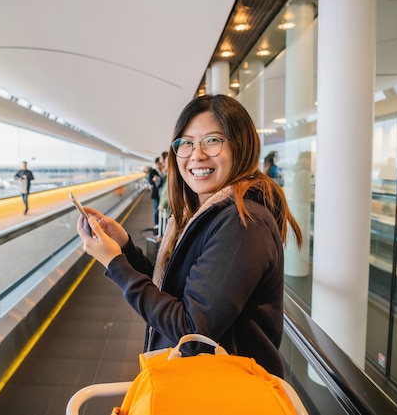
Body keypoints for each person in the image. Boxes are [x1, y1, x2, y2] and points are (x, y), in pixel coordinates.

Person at [76, 94, 302, 378]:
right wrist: (124, 248)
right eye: (187, 143)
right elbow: (176, 293)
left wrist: (115, 264)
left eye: (212, 140)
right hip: (198, 385)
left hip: (221, 396)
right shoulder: (206, 214)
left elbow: (192, 331)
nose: (196, 155)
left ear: (241, 146)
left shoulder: (243, 222)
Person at [147, 157, 163, 227]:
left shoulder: (163, 171)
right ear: (156, 164)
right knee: (156, 209)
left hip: (163, 194)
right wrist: (153, 180)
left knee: (162, 209)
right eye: (159, 164)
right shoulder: (153, 171)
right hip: (156, 193)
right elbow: (150, 181)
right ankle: (156, 224)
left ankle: (162, 223)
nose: (161, 165)